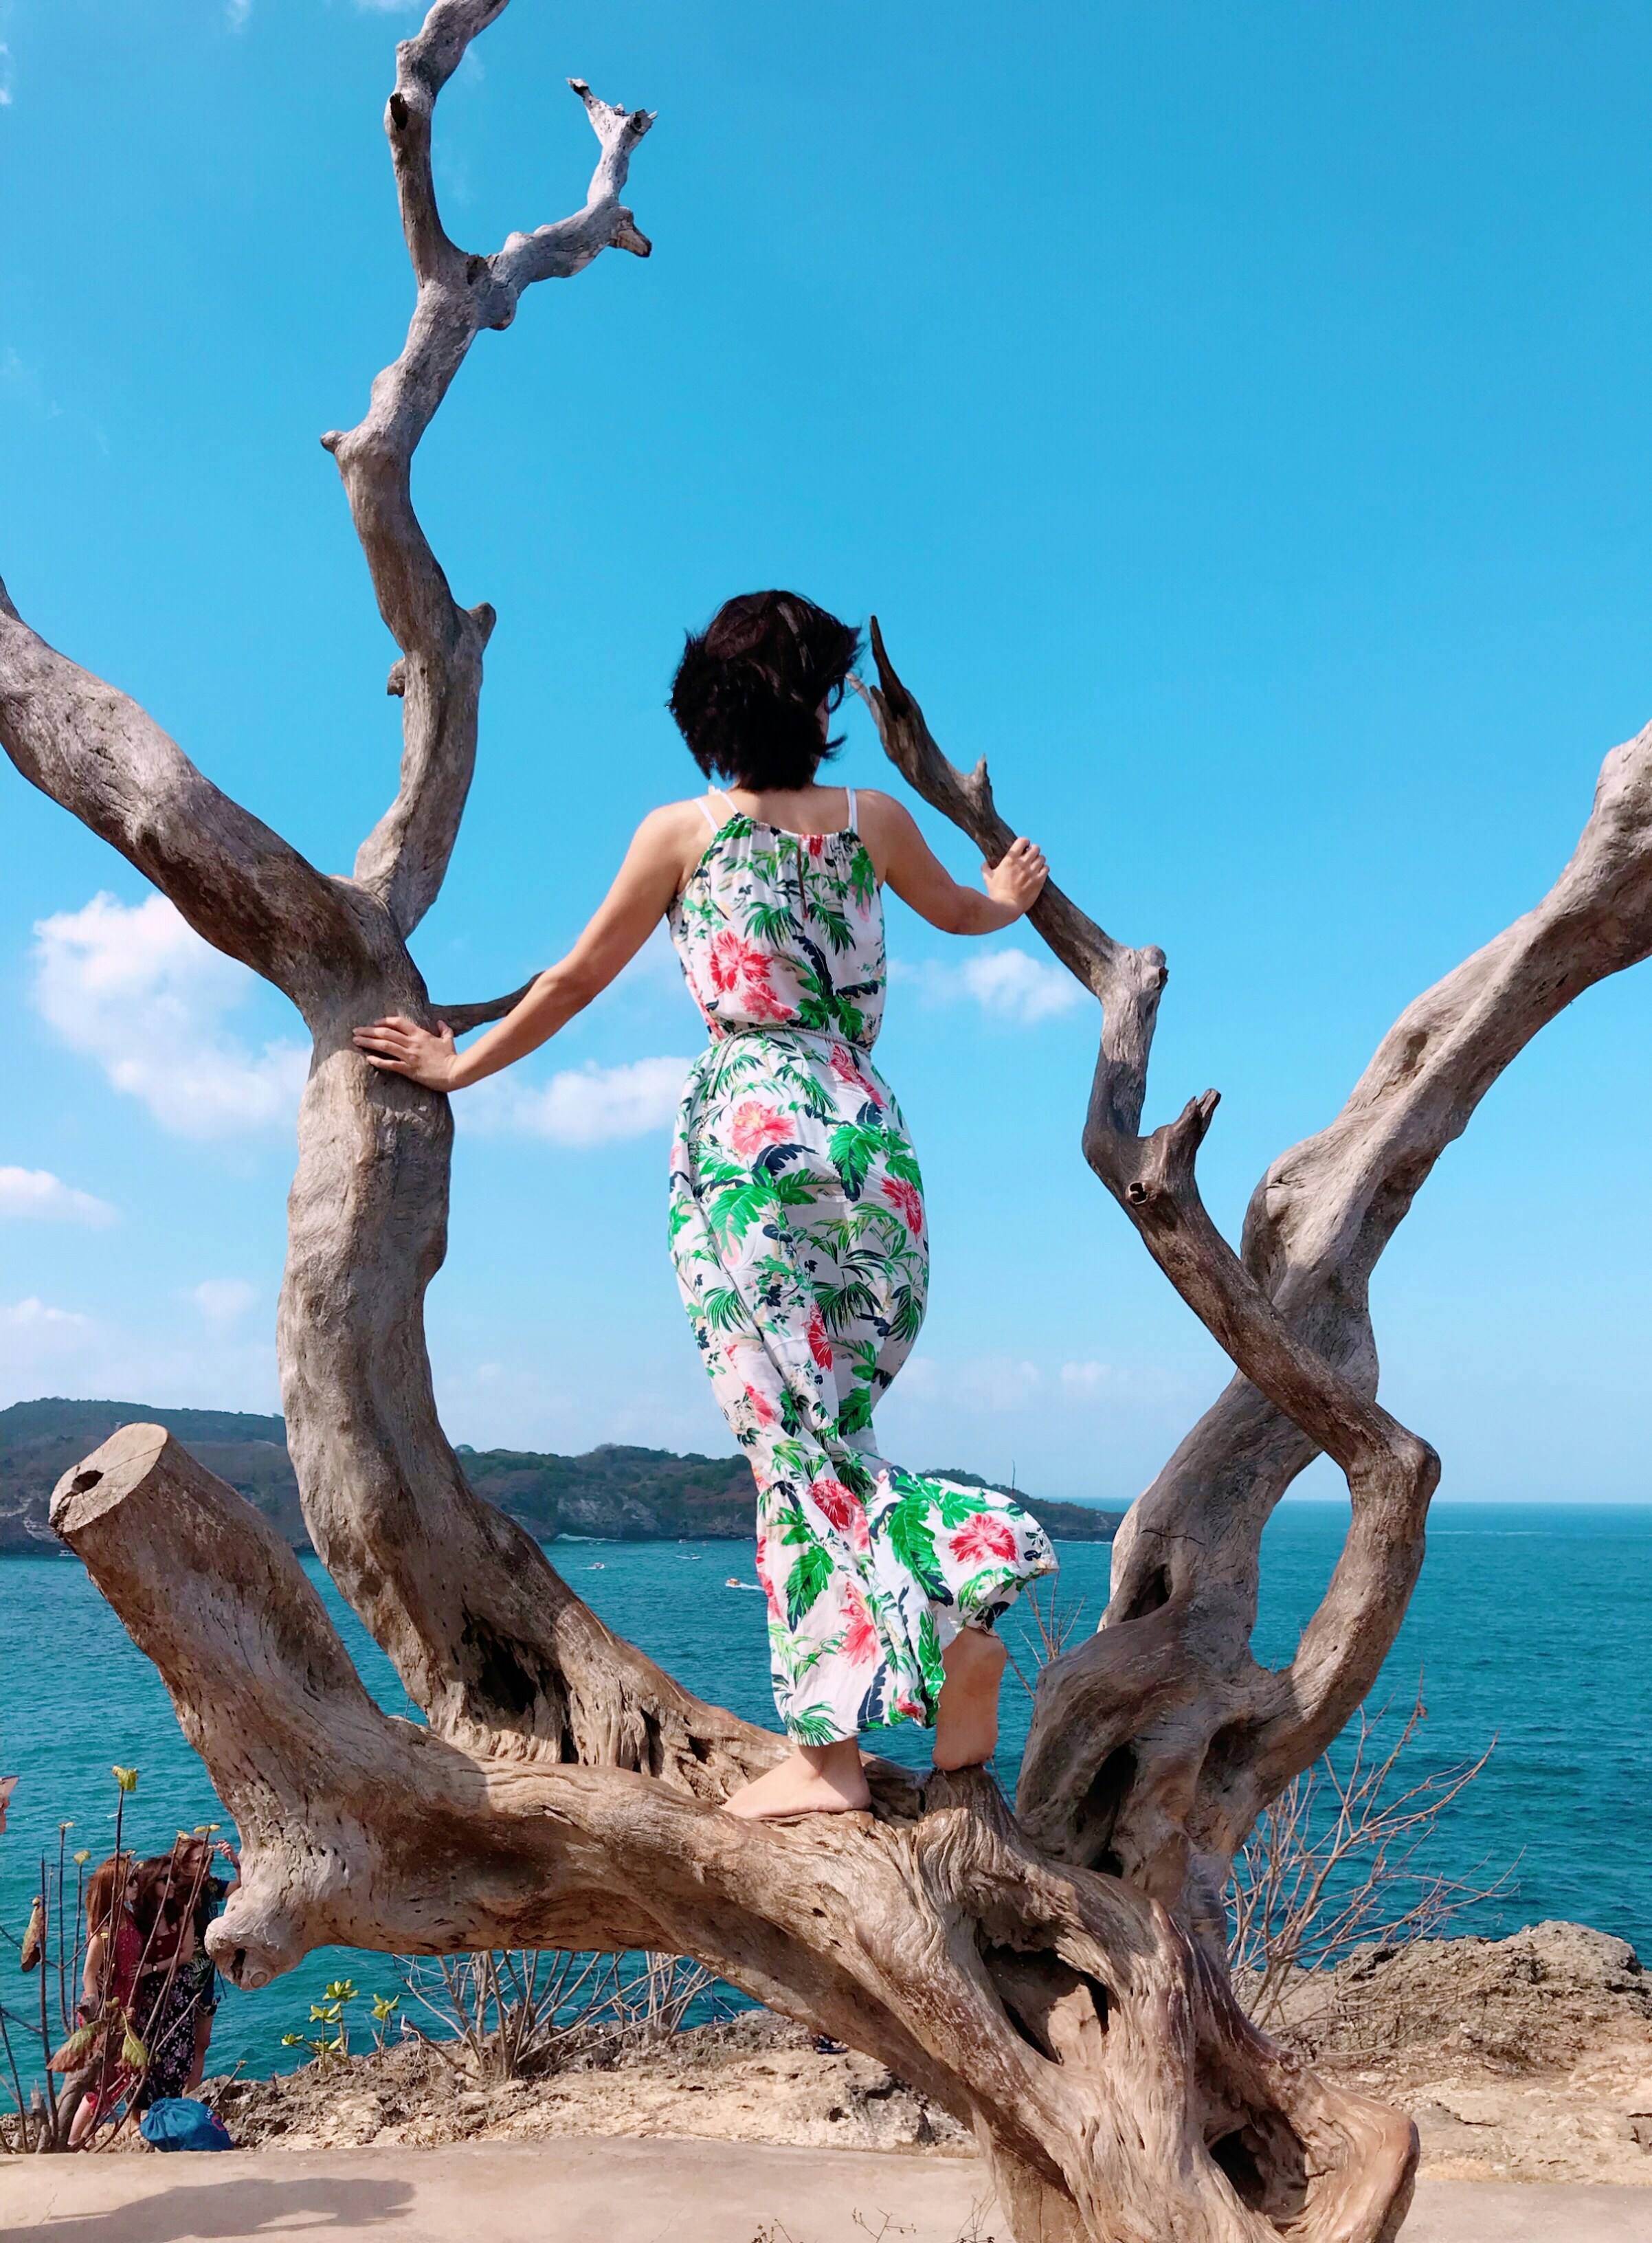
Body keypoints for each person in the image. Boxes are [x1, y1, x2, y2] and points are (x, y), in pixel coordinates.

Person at [355, 591, 1058, 1818]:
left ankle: (838, 1739)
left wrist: (457, 1062)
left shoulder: (679, 833)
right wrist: (1008, 884)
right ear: (825, 701)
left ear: (706, 709)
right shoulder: (874, 820)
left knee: (789, 1453)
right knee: (833, 1429)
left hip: (750, 1141)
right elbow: (966, 913)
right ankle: (945, 1634)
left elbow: (576, 978)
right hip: (868, 1140)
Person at [64, 1853, 142, 2144]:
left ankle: (86, 2136)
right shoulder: (105, 1932)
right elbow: (88, 1975)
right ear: (116, 1889)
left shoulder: (126, 1917)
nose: (137, 1885)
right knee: (102, 2082)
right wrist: (100, 2012)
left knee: (117, 2076)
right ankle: (74, 2140)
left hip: (125, 2005)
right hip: (109, 2011)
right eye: (131, 1881)